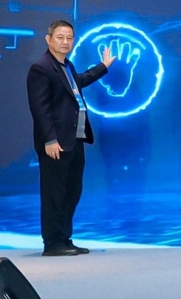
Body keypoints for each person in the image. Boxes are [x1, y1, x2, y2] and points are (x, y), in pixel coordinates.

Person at [25, 19, 114, 257]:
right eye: (60, 37)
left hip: (74, 138)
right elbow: (40, 109)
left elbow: (79, 82)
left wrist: (103, 66)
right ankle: (52, 243)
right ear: (48, 39)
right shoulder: (41, 68)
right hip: (56, 142)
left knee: (72, 191)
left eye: (69, 38)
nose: (65, 42)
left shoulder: (66, 65)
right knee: (54, 194)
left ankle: (64, 238)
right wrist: (49, 140)